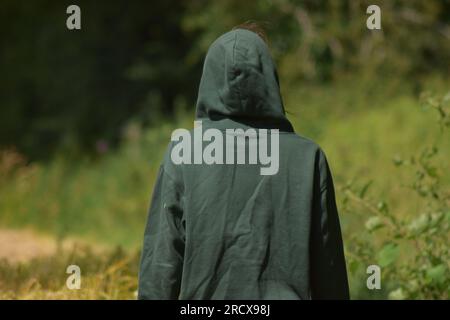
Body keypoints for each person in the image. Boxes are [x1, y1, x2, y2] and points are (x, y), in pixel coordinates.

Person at [138, 23, 349, 300]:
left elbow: (161, 269)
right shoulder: (308, 158)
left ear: (209, 78)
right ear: (268, 78)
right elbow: (329, 274)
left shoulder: (182, 154)